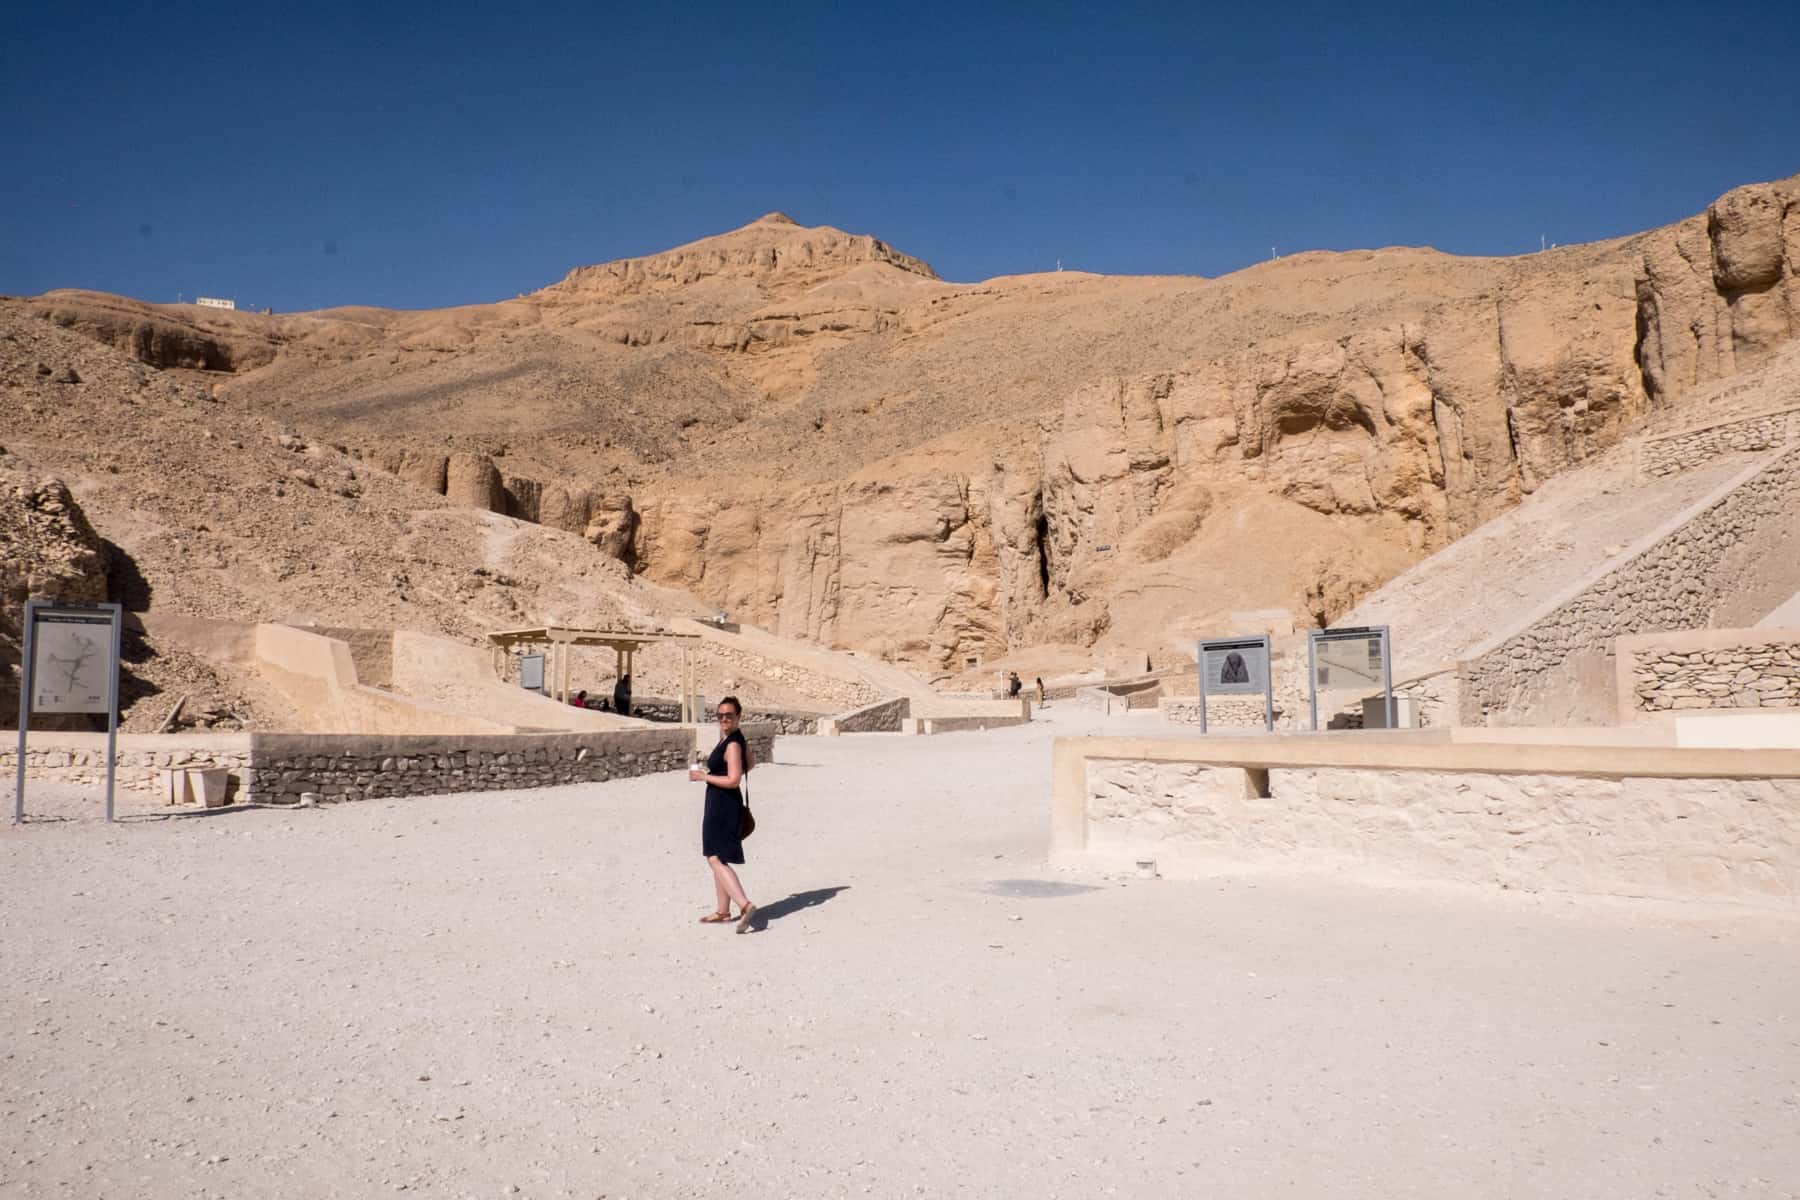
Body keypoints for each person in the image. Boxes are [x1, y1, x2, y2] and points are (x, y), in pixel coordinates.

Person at [692, 695, 756, 932]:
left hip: (723, 804)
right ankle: (723, 910)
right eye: (720, 715)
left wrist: (704, 776)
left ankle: (744, 904)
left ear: (738, 716)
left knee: (714, 857)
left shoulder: (732, 743)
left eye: (729, 715)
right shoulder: (734, 738)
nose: (724, 719)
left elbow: (734, 779)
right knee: (719, 855)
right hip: (721, 801)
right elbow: (751, 763)